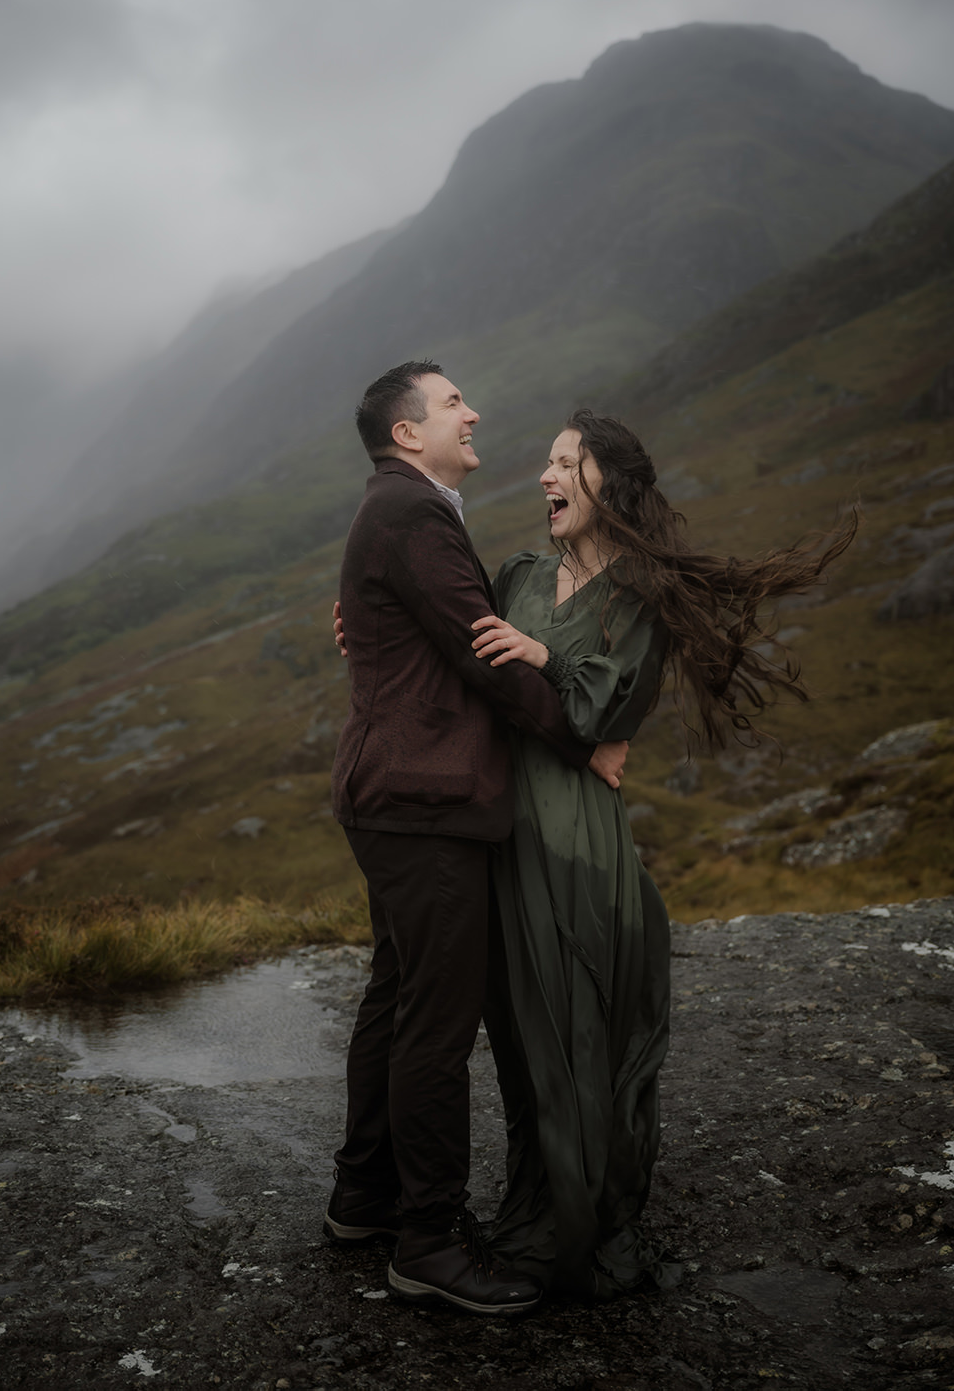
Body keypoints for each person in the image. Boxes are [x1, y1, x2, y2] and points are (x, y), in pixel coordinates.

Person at [466, 409, 856, 1299]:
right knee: (521, 1044)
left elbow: (604, 713)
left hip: (573, 845)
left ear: (610, 483)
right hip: (499, 840)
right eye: (547, 463)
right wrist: (369, 629)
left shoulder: (641, 597)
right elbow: (460, 668)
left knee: (577, 1035)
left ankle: (572, 1228)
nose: (545, 476)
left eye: (567, 462)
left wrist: (544, 664)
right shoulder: (521, 574)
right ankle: (531, 1202)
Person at [326, 363, 628, 1317]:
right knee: (435, 1022)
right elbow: (484, 651)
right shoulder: (414, 514)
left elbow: (428, 633)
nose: (474, 410)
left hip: (397, 794)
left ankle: (365, 1199)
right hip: (422, 801)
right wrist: (587, 733)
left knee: (397, 997)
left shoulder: (405, 509)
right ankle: (426, 1242)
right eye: (454, 401)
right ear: (409, 432)